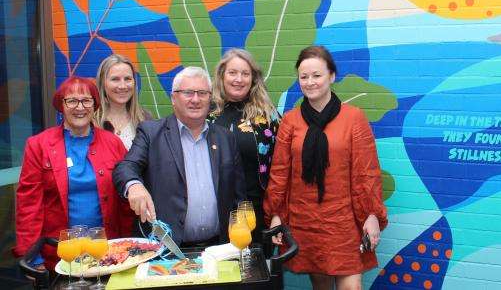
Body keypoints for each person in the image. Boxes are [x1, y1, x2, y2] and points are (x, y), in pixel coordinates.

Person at [265, 46, 388, 290]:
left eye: (317, 75)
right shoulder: (290, 120)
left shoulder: (354, 118)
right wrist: (276, 215)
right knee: (320, 286)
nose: (310, 82)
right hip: (306, 220)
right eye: (304, 77)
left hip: (344, 222)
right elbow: (280, 173)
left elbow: (367, 172)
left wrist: (372, 214)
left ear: (331, 76)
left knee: (351, 287)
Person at [113, 66, 246, 247]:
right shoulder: (151, 133)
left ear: (210, 98)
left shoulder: (225, 138)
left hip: (218, 249)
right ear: (173, 98)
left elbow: (239, 196)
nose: (196, 99)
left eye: (202, 93)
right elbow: (126, 167)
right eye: (188, 93)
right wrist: (134, 185)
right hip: (167, 251)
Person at [14, 76, 135, 270]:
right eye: (71, 101)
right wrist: (32, 256)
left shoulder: (113, 143)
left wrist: (130, 246)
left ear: (95, 105)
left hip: (108, 251)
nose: (80, 107)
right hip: (59, 255)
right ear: (61, 106)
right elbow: (29, 205)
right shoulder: (39, 145)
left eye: (86, 100)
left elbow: (127, 203)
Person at [208, 48, 279, 245]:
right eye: (232, 73)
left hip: (255, 213)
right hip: (213, 212)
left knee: (255, 271)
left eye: (245, 74)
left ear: (253, 79)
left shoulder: (267, 116)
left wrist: (276, 212)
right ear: (222, 76)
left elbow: (281, 167)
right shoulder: (205, 113)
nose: (239, 79)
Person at [94, 54, 151, 150]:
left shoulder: (145, 119)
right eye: (115, 79)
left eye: (127, 79)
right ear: (103, 83)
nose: (122, 86)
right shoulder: (92, 121)